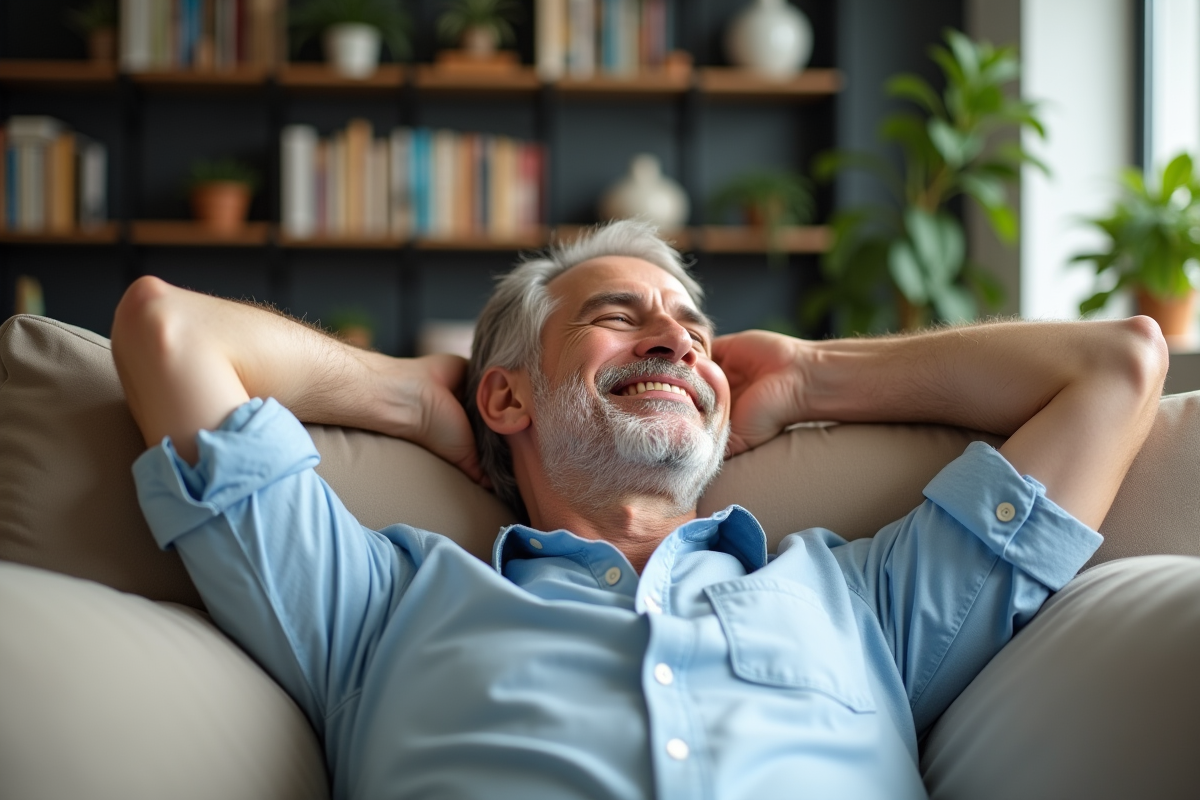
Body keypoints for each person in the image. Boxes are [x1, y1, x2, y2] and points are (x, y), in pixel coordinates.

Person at [112, 220, 1166, 800]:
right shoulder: (380, 607)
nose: (677, 341)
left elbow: (1118, 367)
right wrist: (415, 399)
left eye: (696, 335)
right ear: (509, 396)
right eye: (620, 319)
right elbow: (169, 333)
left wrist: (808, 374)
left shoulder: (866, 599)